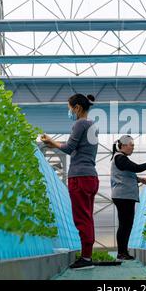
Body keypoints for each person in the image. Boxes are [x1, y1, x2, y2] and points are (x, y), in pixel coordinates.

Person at [41, 93, 98, 270]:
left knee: (81, 218)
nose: (69, 111)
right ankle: (87, 255)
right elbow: (77, 146)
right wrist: (55, 144)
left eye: (69, 108)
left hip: (79, 177)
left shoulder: (79, 123)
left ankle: (86, 259)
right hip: (90, 176)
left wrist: (51, 141)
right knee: (87, 217)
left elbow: (70, 147)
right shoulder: (92, 125)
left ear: (77, 108)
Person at [110, 135, 146, 260]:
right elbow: (136, 168)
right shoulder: (120, 158)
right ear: (124, 146)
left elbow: (125, 174)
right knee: (125, 224)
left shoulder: (121, 158)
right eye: (131, 145)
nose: (133, 148)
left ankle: (123, 251)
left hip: (124, 195)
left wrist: (139, 179)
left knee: (126, 224)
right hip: (123, 196)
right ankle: (121, 253)